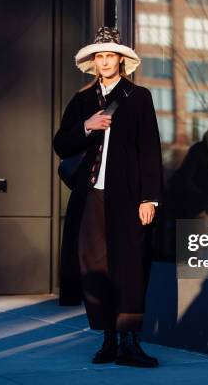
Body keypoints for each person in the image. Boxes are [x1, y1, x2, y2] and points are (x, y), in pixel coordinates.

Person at [53, 27, 163, 368]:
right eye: (99, 56)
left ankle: (130, 341)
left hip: (130, 198)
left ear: (121, 61)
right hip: (90, 198)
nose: (104, 61)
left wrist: (150, 198)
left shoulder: (139, 97)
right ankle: (108, 340)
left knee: (130, 266)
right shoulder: (81, 101)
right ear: (94, 61)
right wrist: (86, 126)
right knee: (95, 267)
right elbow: (60, 145)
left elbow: (149, 151)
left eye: (109, 55)